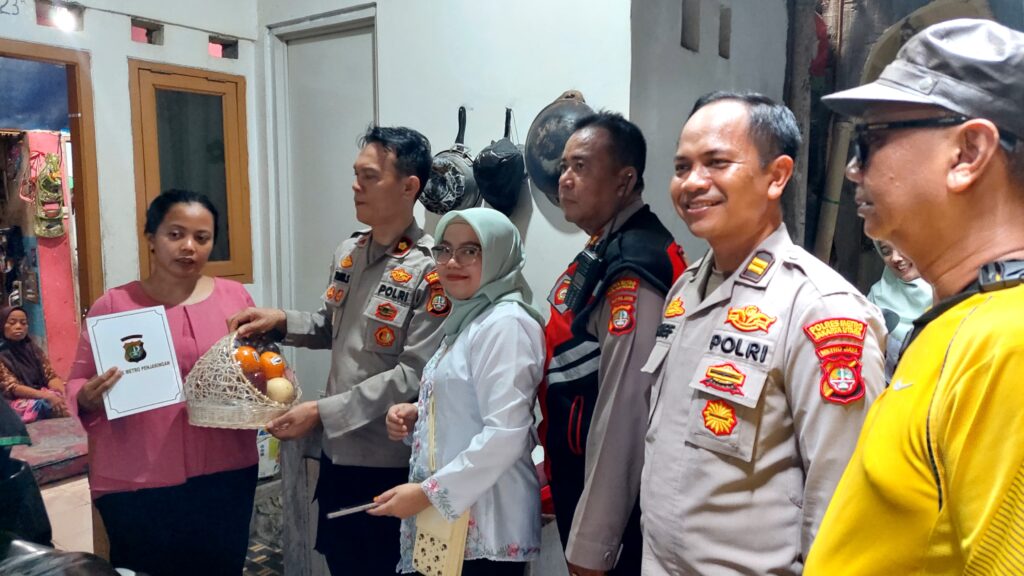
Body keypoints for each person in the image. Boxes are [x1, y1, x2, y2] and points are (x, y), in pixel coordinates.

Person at [807, 19, 1024, 574]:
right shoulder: (964, 319)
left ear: (968, 153)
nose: (853, 169)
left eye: (871, 141)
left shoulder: (1009, 344)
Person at [640, 92, 886, 575]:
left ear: (777, 176)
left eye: (716, 163)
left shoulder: (820, 309)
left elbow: (843, 499)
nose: (693, 182)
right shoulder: (685, 290)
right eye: (682, 166)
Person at [228, 126, 448, 575]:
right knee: (341, 562)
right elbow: (332, 326)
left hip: (388, 463)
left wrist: (320, 412)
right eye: (356, 174)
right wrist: (282, 321)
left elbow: (413, 374)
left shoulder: (432, 271)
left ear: (409, 187)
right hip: (336, 454)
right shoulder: (350, 251)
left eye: (369, 176)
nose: (355, 186)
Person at [66, 190, 258, 576]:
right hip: (139, 481)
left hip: (225, 472)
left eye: (202, 237)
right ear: (151, 238)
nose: (188, 247)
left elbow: (257, 365)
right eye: (175, 234)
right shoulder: (114, 305)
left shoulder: (235, 297)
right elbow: (77, 381)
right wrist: (87, 396)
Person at [540, 111, 686, 576]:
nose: (564, 179)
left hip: (617, 506)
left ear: (624, 181)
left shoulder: (633, 264)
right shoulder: (606, 245)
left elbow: (626, 407)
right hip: (578, 471)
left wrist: (594, 542)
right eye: (564, 166)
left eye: (581, 166)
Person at [370, 207, 545, 576]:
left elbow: (506, 433)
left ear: (498, 254)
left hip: (488, 525)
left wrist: (428, 493)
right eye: (445, 249)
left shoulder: (506, 324)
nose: (452, 262)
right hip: (454, 526)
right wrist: (420, 413)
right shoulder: (469, 320)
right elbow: (470, 405)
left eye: (470, 250)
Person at [866, 239, 932, 380]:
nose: (895, 258)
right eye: (886, 251)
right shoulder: (876, 297)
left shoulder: (950, 294)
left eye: (902, 245)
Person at [0, 306, 68, 422]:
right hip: (11, 400)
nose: (18, 326)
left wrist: (64, 394)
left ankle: (63, 408)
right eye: (12, 323)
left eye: (23, 323)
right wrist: (47, 396)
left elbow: (50, 375)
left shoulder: (32, 349)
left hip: (38, 393)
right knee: (40, 405)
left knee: (72, 392)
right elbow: (13, 388)